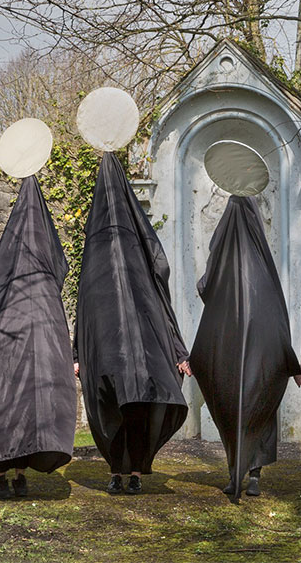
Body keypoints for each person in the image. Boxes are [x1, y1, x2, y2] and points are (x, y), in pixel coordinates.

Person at [0, 173, 78, 497]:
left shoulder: (33, 283)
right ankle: (2, 475)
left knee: (25, 415)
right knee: (7, 413)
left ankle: (18, 475)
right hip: (7, 356)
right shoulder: (19, 278)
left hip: (30, 358)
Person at [74, 151, 191, 496]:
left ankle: (135, 471)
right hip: (110, 350)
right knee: (114, 409)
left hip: (140, 350)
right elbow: (85, 309)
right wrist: (77, 355)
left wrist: (178, 351)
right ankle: (116, 471)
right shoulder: (97, 252)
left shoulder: (137, 251)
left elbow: (159, 299)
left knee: (137, 406)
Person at [190, 194, 301, 502]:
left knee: (233, 401)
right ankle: (253, 474)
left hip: (229, 343)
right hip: (263, 344)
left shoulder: (224, 256)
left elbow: (206, 287)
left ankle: (235, 472)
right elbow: (277, 305)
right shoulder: (261, 258)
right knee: (260, 395)